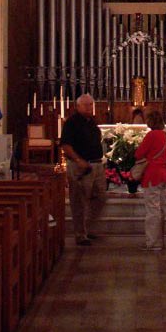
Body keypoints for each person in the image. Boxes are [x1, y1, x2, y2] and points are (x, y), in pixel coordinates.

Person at [60, 93, 107, 246]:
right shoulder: (72, 123)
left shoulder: (91, 122)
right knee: (79, 200)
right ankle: (80, 233)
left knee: (99, 197)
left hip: (96, 164)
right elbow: (66, 145)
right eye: (86, 105)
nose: (89, 107)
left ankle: (89, 228)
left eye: (91, 105)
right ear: (78, 106)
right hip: (81, 166)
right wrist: (78, 160)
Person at [134, 109, 166, 251]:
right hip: (164, 174)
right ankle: (160, 241)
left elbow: (139, 153)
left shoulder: (152, 135)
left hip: (153, 175)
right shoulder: (165, 135)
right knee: (160, 209)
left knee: (152, 210)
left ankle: (152, 243)